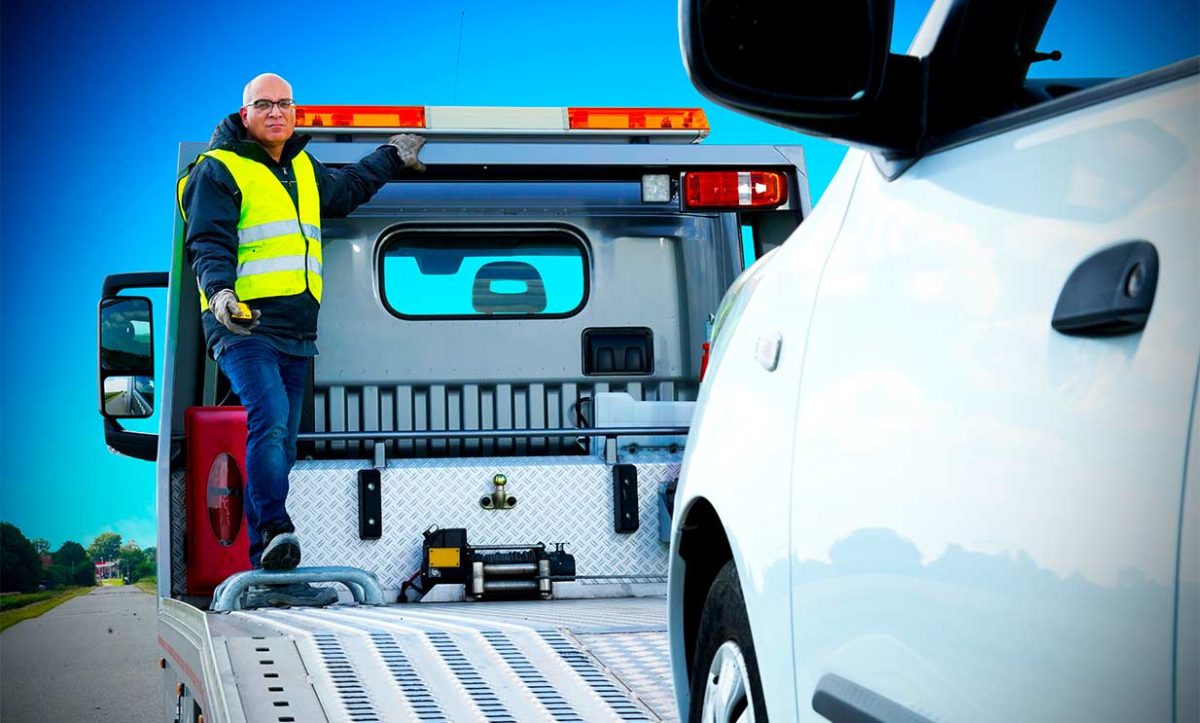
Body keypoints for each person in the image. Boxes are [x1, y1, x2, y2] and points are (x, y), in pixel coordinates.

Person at [179, 73, 426, 607]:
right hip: (243, 324)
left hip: (297, 332)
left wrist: (391, 154)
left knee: (283, 440)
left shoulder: (302, 169)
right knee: (267, 417)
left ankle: (272, 574)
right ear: (244, 114)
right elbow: (207, 241)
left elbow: (346, 191)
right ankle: (274, 534)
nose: (275, 113)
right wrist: (220, 293)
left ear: (295, 112)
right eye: (263, 105)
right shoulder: (218, 170)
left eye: (284, 104)